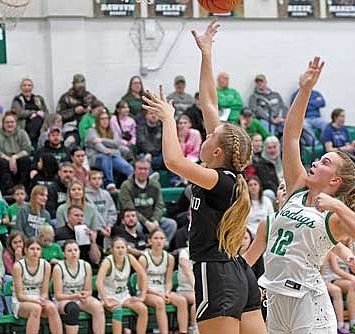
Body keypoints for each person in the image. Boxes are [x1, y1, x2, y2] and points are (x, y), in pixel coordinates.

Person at [143, 21, 266, 333]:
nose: (206, 134)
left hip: (216, 274)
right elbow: (209, 102)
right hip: (237, 272)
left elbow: (172, 160)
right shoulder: (226, 175)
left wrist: (168, 119)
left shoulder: (219, 180)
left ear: (217, 151)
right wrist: (207, 54)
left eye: (212, 135)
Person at [257, 56, 355, 334]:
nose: (314, 163)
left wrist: (339, 206)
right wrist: (306, 90)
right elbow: (290, 135)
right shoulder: (298, 188)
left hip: (308, 301)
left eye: (324, 162)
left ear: (335, 180)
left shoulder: (333, 215)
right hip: (276, 298)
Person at [139, 228, 189, 334]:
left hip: (162, 290)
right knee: (160, 302)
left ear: (165, 241)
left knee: (182, 301)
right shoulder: (143, 259)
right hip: (147, 292)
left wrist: (166, 292)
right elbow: (141, 285)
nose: (159, 241)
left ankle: (183, 332)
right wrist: (159, 294)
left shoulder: (169, 258)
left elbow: (169, 281)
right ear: (149, 241)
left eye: (161, 238)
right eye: (156, 238)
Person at [96, 237, 148, 334]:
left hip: (124, 295)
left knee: (143, 309)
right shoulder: (107, 262)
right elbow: (98, 282)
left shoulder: (130, 258)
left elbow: (143, 275)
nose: (120, 250)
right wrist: (106, 301)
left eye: (122, 247)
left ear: (126, 249)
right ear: (112, 249)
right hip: (109, 295)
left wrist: (142, 296)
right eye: (117, 247)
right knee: (118, 310)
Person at [52, 240, 105, 334]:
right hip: (63, 301)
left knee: (98, 307)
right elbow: (58, 295)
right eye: (69, 251)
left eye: (76, 250)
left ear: (79, 252)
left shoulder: (86, 266)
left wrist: (85, 294)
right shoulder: (58, 268)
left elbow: (89, 291)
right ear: (64, 254)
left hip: (79, 298)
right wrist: (75, 296)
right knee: (73, 309)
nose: (73, 253)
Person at [119, 159, 177, 245]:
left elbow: (159, 205)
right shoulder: (126, 186)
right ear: (135, 170)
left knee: (171, 224)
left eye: (145, 169)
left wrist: (155, 221)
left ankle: (163, 246)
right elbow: (129, 209)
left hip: (153, 219)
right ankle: (142, 245)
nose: (143, 171)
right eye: (140, 169)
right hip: (137, 219)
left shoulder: (155, 184)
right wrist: (146, 223)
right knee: (135, 225)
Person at [11, 238, 63, 334]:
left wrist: (42, 299)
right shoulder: (18, 266)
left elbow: (44, 293)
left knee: (52, 307)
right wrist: (36, 301)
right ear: (26, 250)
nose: (35, 252)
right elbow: (20, 296)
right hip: (22, 301)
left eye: (38, 249)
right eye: (32, 249)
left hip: (38, 299)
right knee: (36, 308)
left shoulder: (46, 265)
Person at [85, 110, 134, 192]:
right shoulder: (92, 131)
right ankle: (109, 184)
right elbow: (97, 145)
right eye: (102, 119)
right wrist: (105, 149)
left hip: (111, 156)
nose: (105, 121)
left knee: (124, 165)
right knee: (106, 156)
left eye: (107, 118)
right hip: (95, 158)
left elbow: (117, 143)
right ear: (98, 120)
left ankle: (138, 179)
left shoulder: (112, 131)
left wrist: (102, 140)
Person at [0, 111, 32, 194]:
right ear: (3, 124)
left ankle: (22, 187)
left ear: (16, 123)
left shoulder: (22, 133)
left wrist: (14, 157)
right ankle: (9, 189)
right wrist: (9, 159)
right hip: (4, 158)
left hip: (18, 158)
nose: (9, 124)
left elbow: (27, 149)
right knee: (1, 162)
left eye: (12, 122)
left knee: (26, 160)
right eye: (7, 122)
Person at [56, 74, 98, 147]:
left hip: (88, 126)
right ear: (73, 85)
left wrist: (90, 111)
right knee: (71, 141)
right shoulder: (65, 97)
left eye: (82, 86)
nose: (80, 88)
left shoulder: (89, 96)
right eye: (78, 86)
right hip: (72, 127)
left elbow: (100, 108)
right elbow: (58, 115)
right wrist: (74, 111)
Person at [11, 78, 48, 144]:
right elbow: (18, 113)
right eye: (24, 85)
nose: (27, 87)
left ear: (32, 87)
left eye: (29, 85)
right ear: (21, 87)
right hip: (24, 123)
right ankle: (31, 141)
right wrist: (33, 113)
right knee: (37, 119)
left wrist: (41, 115)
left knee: (38, 119)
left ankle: (31, 140)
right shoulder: (17, 99)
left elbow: (46, 112)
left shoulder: (39, 99)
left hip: (40, 123)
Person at [85, 170, 117, 243]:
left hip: (107, 226)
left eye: (99, 178)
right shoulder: (85, 195)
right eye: (94, 179)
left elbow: (112, 211)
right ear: (89, 180)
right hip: (93, 228)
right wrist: (100, 229)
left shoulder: (106, 194)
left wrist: (109, 225)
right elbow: (90, 216)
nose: (97, 181)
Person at [176, 244, 199, 334]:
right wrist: (197, 289)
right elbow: (188, 272)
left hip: (198, 289)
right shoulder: (184, 252)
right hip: (185, 289)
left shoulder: (206, 251)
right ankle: (194, 327)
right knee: (199, 299)